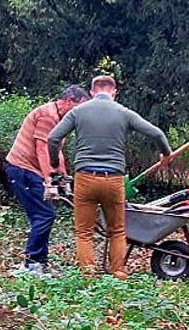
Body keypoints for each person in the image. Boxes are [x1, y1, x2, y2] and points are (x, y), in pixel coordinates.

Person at [47, 75, 173, 279]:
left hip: (85, 178)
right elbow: (157, 133)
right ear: (114, 92)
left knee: (84, 231)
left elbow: (53, 138)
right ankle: (118, 271)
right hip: (114, 179)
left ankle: (88, 273)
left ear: (91, 92)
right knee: (117, 230)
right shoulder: (124, 112)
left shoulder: (78, 112)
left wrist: (54, 164)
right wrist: (166, 154)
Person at [5, 84, 91, 276]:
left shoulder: (61, 120)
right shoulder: (47, 116)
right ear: (69, 101)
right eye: (79, 107)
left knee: (43, 216)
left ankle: (40, 262)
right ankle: (30, 264)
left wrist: (63, 178)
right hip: (22, 169)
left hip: (31, 170)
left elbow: (56, 153)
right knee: (44, 215)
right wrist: (49, 181)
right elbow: (42, 150)